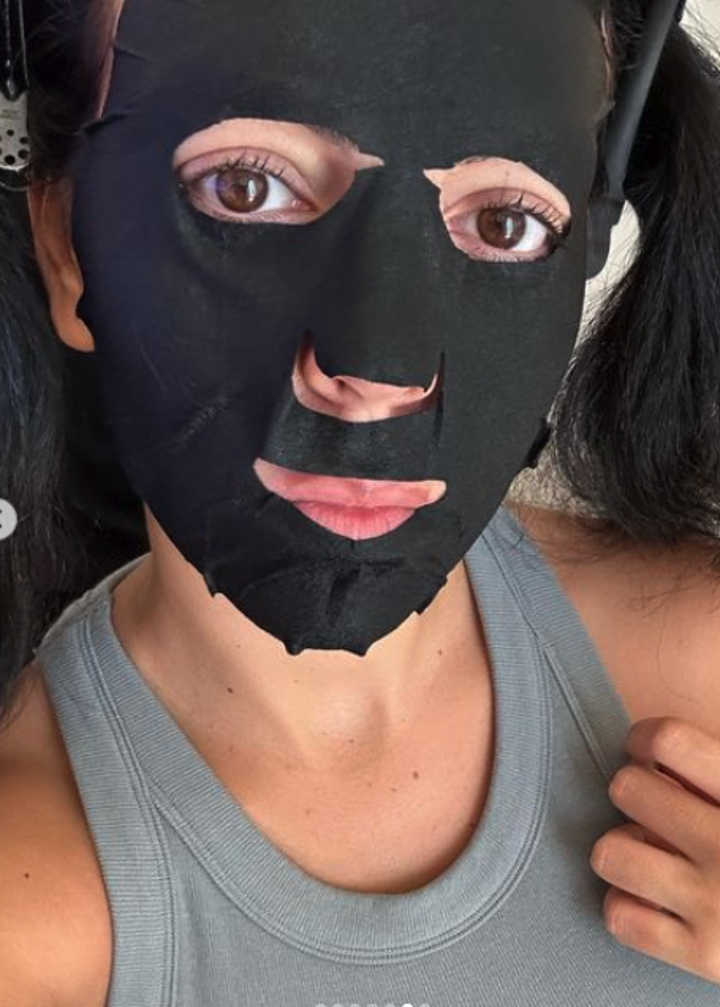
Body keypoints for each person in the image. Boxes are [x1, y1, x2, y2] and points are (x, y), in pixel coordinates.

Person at [2, 0, 720, 1004]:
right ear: (65, 241)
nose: (379, 372)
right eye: (247, 187)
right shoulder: (33, 916)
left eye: (503, 221)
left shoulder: (696, 672)